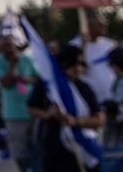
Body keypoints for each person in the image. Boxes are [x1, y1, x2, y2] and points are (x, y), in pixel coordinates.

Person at [27, 44, 104, 172]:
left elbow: (99, 119)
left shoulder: (84, 88)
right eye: (73, 65)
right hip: (55, 146)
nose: (77, 69)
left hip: (82, 144)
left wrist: (76, 121)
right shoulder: (48, 85)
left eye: (80, 65)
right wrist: (49, 115)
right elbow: (31, 108)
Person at [0, 35, 39, 170]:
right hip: (13, 114)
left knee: (37, 147)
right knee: (18, 150)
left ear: (15, 46)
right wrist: (12, 66)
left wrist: (24, 79)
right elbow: (5, 83)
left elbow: (38, 79)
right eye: (4, 46)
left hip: (33, 112)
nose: (8, 49)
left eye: (10, 45)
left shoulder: (26, 59)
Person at [71, 13, 117, 107]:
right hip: (91, 102)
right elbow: (75, 71)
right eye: (100, 24)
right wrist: (82, 48)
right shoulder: (74, 46)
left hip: (112, 99)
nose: (104, 26)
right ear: (88, 26)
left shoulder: (109, 44)